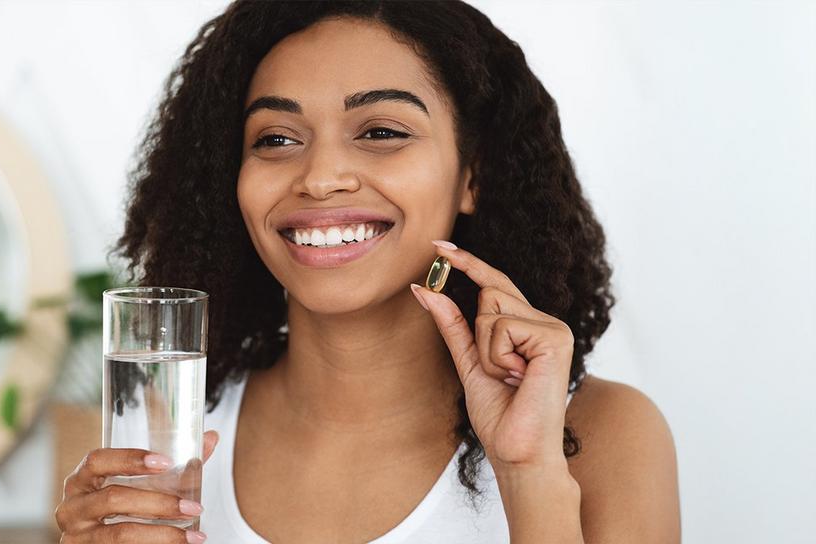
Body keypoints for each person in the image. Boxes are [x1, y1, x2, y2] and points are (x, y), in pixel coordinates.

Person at [55, 1, 680, 542]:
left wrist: (528, 474)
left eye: (381, 130)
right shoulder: (166, 429)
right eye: (275, 139)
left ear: (473, 175)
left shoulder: (599, 436)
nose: (321, 177)